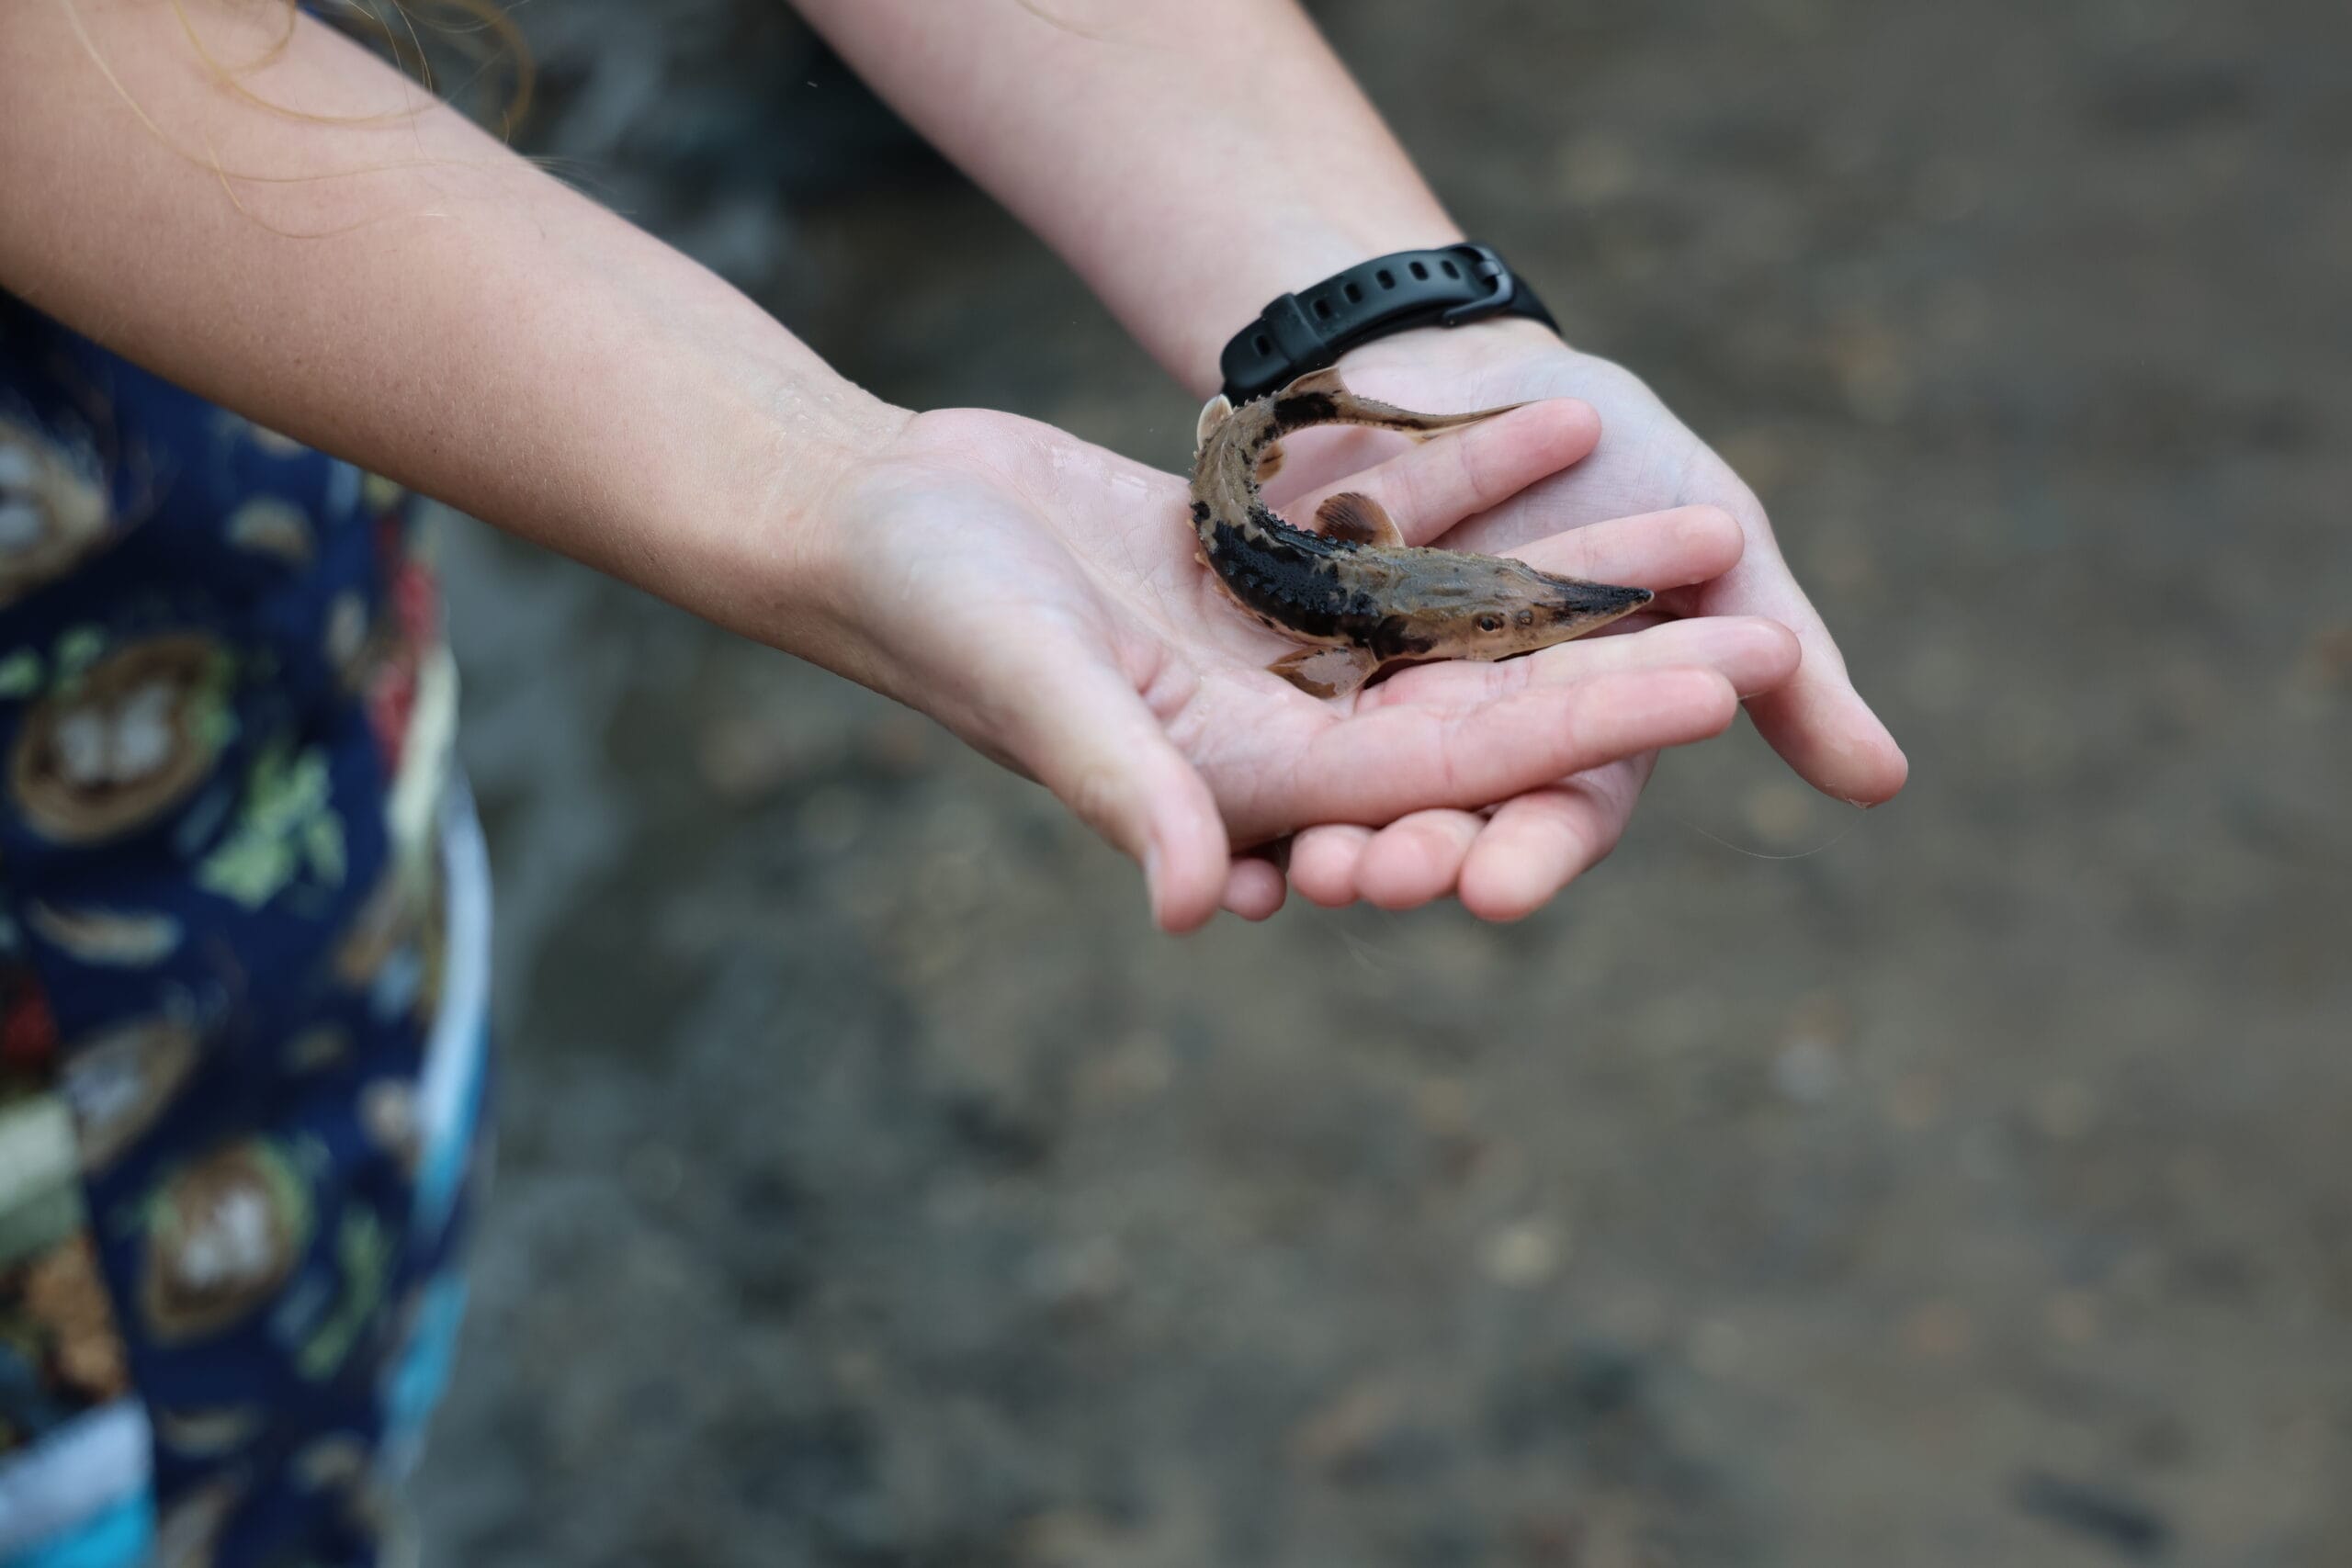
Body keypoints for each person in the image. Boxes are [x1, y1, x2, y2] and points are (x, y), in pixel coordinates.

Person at [0, 0, 1905, 1562]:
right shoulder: (1361, 601)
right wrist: (806, 481)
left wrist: (1372, 299)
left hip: (263, 871)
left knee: (277, 1440)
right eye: (1494, 623)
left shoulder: (1386, 586)